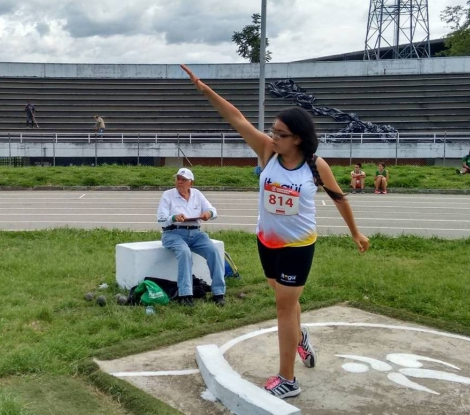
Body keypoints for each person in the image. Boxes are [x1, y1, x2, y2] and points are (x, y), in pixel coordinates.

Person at [180, 64, 369, 399]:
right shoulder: (268, 152)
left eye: (280, 133)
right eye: (273, 131)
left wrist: (355, 233)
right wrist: (203, 89)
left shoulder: (315, 165)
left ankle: (288, 379)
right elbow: (236, 118)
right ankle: (301, 336)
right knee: (284, 300)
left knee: (283, 307)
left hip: (298, 245)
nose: (273, 136)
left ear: (297, 138)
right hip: (266, 241)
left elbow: (339, 198)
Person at [156, 167, 226, 307]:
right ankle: (185, 294)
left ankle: (219, 292)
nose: (180, 182)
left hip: (195, 233)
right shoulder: (167, 195)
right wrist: (174, 217)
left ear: (191, 183)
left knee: (213, 251)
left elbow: (213, 210)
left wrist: (208, 214)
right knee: (184, 252)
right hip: (173, 233)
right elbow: (161, 219)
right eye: (178, 179)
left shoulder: (197, 194)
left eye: (183, 180)